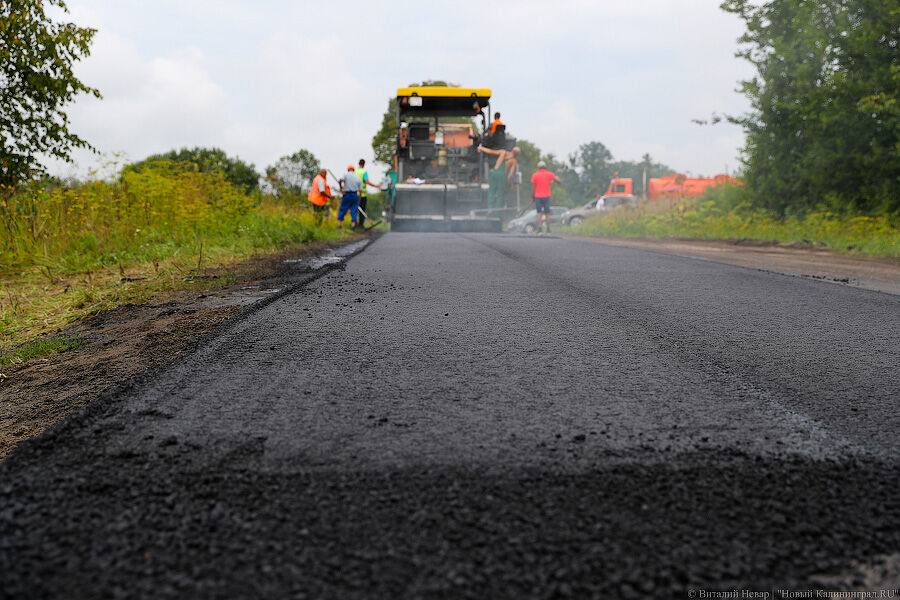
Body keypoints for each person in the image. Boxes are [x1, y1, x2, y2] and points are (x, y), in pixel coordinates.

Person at [477, 145, 519, 213]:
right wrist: (507, 181)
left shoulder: (503, 152)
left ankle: (490, 209)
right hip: (502, 176)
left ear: (512, 150)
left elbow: (490, 151)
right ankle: (497, 212)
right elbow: (511, 173)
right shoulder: (514, 160)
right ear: (516, 154)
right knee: (500, 194)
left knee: (491, 192)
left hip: (494, 173)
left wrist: (481, 148)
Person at [530, 160, 561, 234]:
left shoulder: (535, 175)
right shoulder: (549, 174)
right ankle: (548, 230)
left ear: (538, 167)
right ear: (545, 167)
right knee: (547, 213)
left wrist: (532, 197)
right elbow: (559, 181)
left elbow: (533, 187)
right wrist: (555, 179)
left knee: (539, 213)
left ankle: (540, 230)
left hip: (538, 196)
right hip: (546, 196)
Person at [354, 159, 381, 228]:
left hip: (354, 194)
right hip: (362, 194)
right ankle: (361, 224)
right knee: (362, 210)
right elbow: (366, 181)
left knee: (354, 210)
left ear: (358, 163)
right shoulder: (364, 172)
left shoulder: (355, 171)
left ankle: (354, 224)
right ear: (364, 164)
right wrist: (375, 186)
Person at [338, 164, 362, 229]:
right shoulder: (358, 178)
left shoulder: (345, 175)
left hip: (347, 194)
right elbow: (360, 191)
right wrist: (359, 199)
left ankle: (339, 224)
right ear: (353, 170)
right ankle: (353, 225)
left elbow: (340, 180)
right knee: (354, 210)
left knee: (343, 208)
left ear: (348, 169)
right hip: (354, 195)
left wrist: (341, 188)